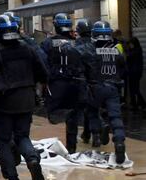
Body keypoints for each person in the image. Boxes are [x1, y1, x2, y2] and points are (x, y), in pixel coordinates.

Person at [0, 14, 47, 180]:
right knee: (22, 136)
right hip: (26, 99)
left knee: (3, 141)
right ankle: (32, 159)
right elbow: (43, 72)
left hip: (4, 102)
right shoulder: (28, 49)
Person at [41, 13, 86, 153]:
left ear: (56, 26)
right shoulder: (77, 42)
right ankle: (72, 148)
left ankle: (65, 114)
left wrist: (43, 79)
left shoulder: (48, 43)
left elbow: (42, 61)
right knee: (72, 115)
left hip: (57, 83)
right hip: (75, 82)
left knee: (52, 112)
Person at [86, 21, 126, 164]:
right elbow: (123, 69)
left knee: (92, 111)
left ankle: (96, 135)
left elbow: (87, 70)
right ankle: (120, 142)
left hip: (96, 87)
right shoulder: (117, 50)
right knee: (115, 117)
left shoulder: (91, 51)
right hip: (113, 88)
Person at [74, 19, 95, 144]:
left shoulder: (76, 45)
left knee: (77, 109)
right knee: (92, 107)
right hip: (94, 80)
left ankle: (85, 134)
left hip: (80, 80)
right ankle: (92, 133)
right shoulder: (95, 45)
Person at [127, 37, 145, 110]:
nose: (130, 45)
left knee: (135, 89)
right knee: (133, 89)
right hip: (133, 72)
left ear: (134, 43)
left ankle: (142, 103)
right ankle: (134, 104)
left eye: (131, 44)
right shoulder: (135, 50)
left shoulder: (137, 50)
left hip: (135, 72)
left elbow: (129, 56)